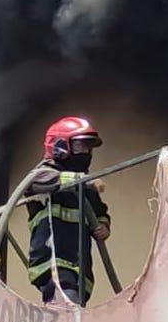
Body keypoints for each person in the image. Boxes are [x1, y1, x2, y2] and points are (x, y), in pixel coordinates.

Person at [25, 116, 111, 306]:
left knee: (77, 307)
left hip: (81, 268)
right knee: (66, 304)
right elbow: (38, 181)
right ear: (60, 147)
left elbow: (100, 212)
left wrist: (103, 226)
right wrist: (82, 180)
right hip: (54, 262)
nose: (86, 153)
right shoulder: (43, 175)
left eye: (89, 148)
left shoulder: (85, 187)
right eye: (81, 147)